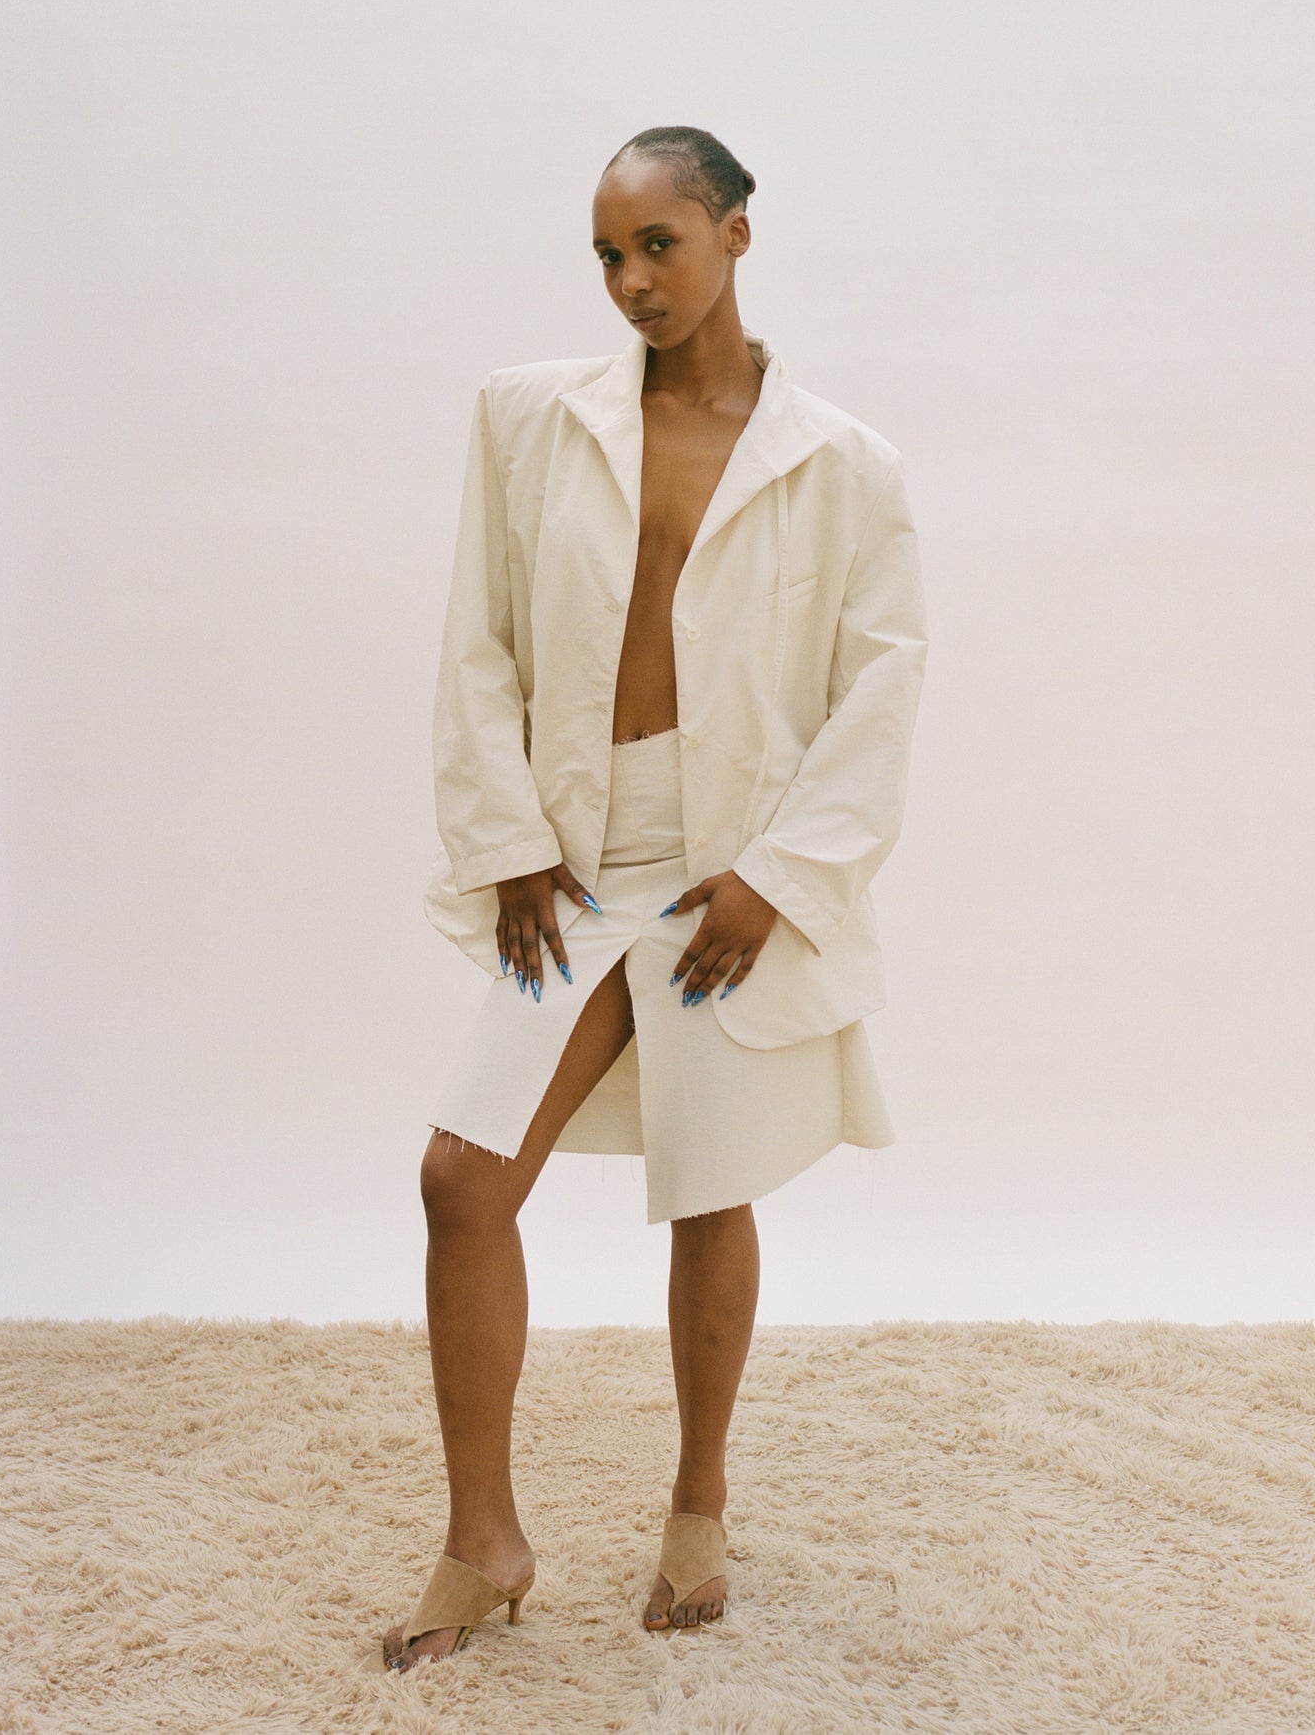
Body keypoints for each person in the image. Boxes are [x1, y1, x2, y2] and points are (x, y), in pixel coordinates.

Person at [371, 126, 929, 1674]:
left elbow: (878, 697)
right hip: (574, 848)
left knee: (709, 1179)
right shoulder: (526, 418)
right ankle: (485, 1536)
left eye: (658, 245)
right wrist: (503, 837)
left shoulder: (844, 464)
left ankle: (698, 1502)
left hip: (727, 856)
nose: (630, 280)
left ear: (735, 232)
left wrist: (778, 877)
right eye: (607, 255)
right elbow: (477, 640)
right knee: (462, 1178)